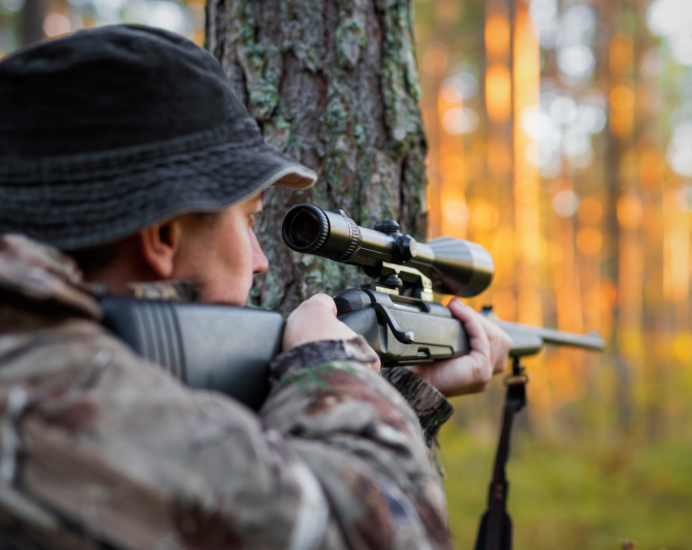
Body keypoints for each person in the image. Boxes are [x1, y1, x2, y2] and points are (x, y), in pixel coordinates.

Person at [0, 24, 512, 549]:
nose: (263, 260)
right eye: (248, 221)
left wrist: (392, 389)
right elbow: (391, 536)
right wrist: (331, 366)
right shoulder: (56, 392)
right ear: (163, 236)